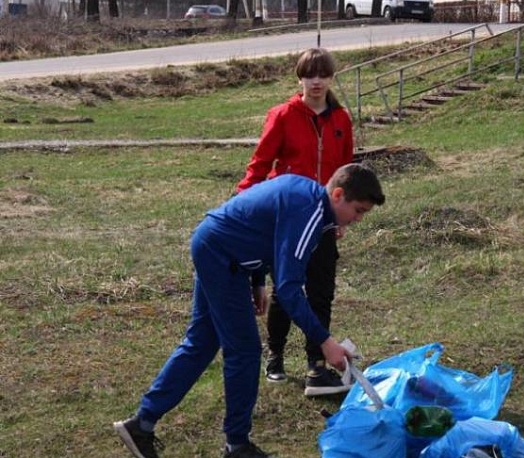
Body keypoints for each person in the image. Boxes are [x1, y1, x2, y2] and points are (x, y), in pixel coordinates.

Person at [113, 164, 385, 458]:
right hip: (222, 256)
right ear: (338, 194)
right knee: (244, 350)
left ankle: (142, 423)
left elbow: (262, 228)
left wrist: (256, 281)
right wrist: (324, 341)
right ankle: (237, 445)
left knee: (202, 342)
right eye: (358, 210)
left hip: (215, 244)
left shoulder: (308, 198)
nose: (357, 220)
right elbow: (290, 289)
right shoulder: (309, 211)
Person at [235, 48, 356, 396]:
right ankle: (274, 355)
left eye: (322, 75)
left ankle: (316, 362)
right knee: (287, 289)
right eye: (309, 75)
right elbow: (259, 164)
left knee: (321, 291)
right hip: (286, 220)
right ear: (299, 78)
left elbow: (346, 170)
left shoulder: (341, 120)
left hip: (325, 220)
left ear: (331, 78)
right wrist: (244, 204)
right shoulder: (283, 115)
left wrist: (343, 216)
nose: (316, 82)